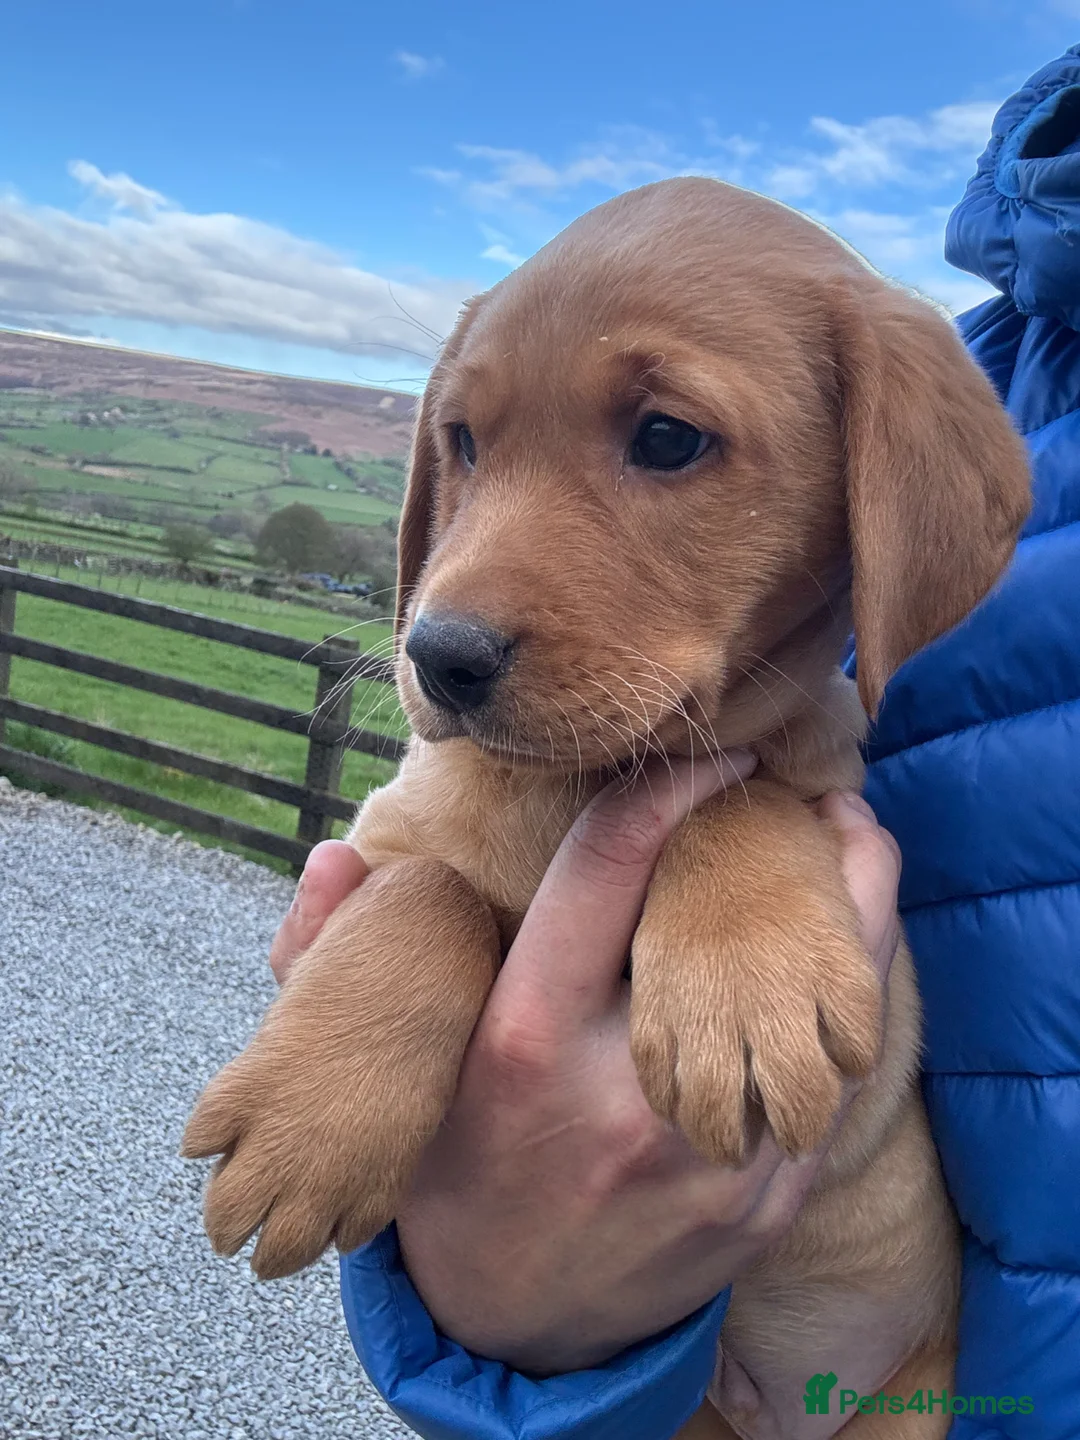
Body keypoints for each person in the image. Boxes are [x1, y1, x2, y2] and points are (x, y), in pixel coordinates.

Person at [272, 45, 1080, 1440]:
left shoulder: (901, 427)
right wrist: (505, 1311)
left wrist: (746, 841)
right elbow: (421, 858)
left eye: (663, 437)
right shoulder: (1009, 359)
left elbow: (807, 787)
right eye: (466, 445)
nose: (453, 610)